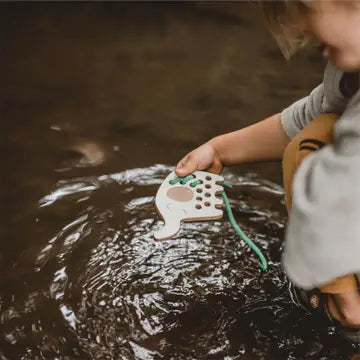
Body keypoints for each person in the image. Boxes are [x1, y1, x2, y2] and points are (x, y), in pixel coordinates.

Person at [175, 0, 360, 349]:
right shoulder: (349, 70)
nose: (316, 47)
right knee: (315, 137)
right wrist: (219, 149)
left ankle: (350, 317)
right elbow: (313, 113)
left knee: (311, 152)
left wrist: (346, 305)